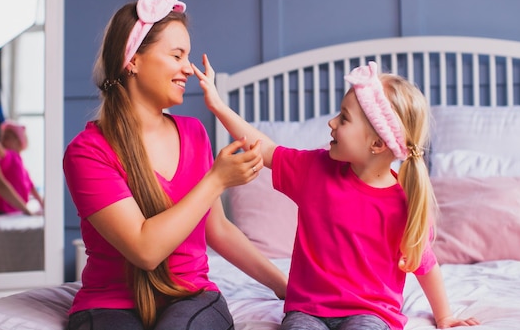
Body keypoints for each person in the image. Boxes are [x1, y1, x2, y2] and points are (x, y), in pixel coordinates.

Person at [194, 58, 480, 330]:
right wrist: (217, 105)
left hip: (370, 313)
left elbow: (425, 265)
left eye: (343, 118)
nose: (331, 123)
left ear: (377, 143)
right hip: (307, 310)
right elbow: (264, 149)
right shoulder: (314, 169)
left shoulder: (405, 204)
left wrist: (444, 316)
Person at [62, 0, 287, 330]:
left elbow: (219, 230)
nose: (189, 69)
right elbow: (144, 250)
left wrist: (283, 285)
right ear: (133, 60)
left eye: (189, 56)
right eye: (177, 55)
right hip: (110, 303)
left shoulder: (194, 134)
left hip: (190, 297)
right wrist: (216, 180)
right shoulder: (87, 152)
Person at [0, 120, 44, 215]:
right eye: (1, 137)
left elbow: (31, 186)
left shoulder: (19, 163)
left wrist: (41, 202)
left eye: (6, 138)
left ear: (18, 141)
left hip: (17, 210)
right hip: (5, 210)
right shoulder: (9, 156)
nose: (2, 141)